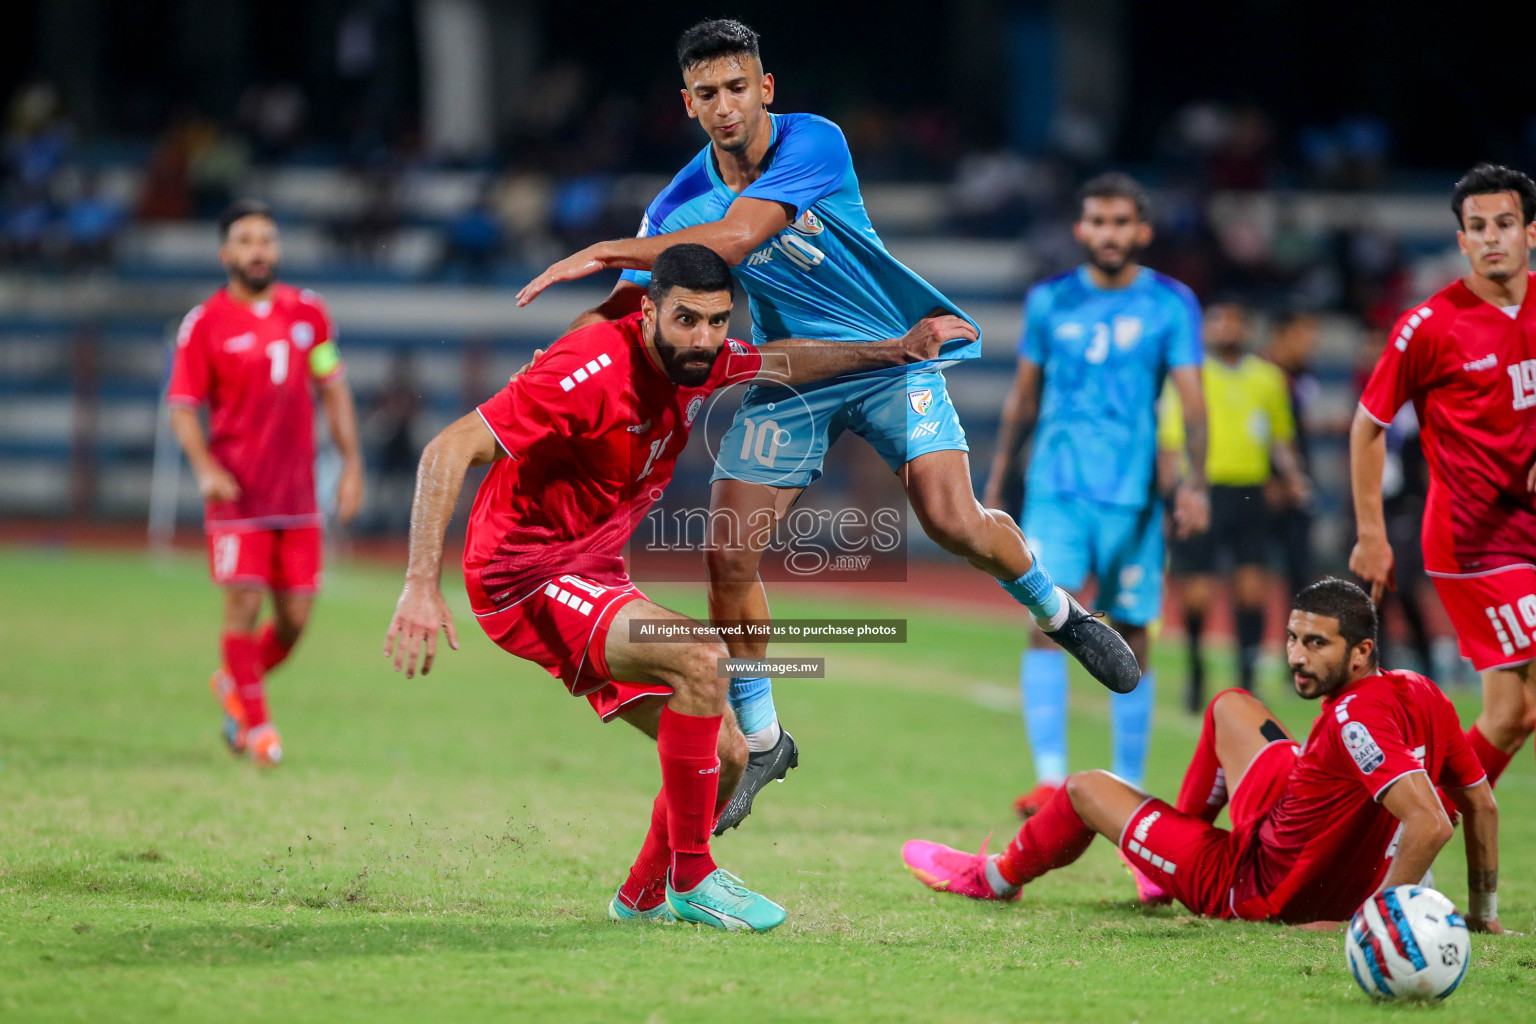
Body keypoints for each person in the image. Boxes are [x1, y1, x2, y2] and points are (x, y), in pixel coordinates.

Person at [515, 20, 1140, 831]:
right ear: (689, 105)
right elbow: (638, 305)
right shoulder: (674, 205)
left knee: (953, 522)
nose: (726, 105)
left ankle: (1059, 611)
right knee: (727, 551)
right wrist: (563, 354)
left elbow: (742, 236)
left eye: (738, 87)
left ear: (764, 88)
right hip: (793, 371)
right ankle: (767, 736)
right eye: (708, 94)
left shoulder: (815, 141)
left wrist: (608, 246)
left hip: (891, 355)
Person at [383, 243, 974, 931]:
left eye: (718, 321)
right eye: (687, 320)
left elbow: (784, 361)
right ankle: (695, 878)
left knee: (724, 758)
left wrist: (897, 351)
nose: (704, 339)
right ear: (649, 311)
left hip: (594, 575)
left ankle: (640, 897)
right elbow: (448, 447)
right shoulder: (590, 367)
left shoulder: (703, 361)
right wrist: (420, 583)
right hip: (526, 576)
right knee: (701, 657)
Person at [902, 579, 1506, 933]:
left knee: (1084, 789)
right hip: (1302, 798)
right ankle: (1156, 867)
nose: (1296, 657)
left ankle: (996, 877)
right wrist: (1484, 915)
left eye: (1316, 645)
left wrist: (1373, 927)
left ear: (1361, 651)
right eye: (1294, 638)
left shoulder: (1353, 720)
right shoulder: (1423, 692)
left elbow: (1429, 822)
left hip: (1257, 883)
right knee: (1230, 707)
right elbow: (1480, 805)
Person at [984, 172, 1209, 820]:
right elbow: (1024, 395)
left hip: (1134, 495)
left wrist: (1194, 482)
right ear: (1080, 230)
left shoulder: (1172, 304)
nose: (1109, 234)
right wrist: (1000, 479)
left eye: (1121, 223)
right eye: (1097, 222)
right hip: (1058, 487)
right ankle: (1051, 781)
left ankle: (1127, 785)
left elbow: (1193, 405)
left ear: (1143, 230)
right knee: (1045, 617)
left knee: (1135, 630)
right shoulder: (1050, 301)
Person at [1352, 163, 1536, 789]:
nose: (1491, 238)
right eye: (1477, 227)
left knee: (1512, 715)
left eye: (1504, 224)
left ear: (1530, 232)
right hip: (1477, 542)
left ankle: (1415, 827)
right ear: (1460, 241)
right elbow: (1367, 426)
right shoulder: (1430, 327)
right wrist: (1372, 535)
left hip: (1528, 533)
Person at [167, 199, 365, 767]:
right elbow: (182, 407)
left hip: (297, 496)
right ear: (226, 253)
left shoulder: (309, 314)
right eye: (248, 240)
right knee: (243, 606)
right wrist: (206, 468)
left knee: (296, 620)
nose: (260, 251)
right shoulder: (204, 323)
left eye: (268, 240)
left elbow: (331, 385)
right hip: (238, 495)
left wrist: (352, 463)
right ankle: (260, 731)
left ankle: (233, 683)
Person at [1163, 301, 1310, 707]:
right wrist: (1173, 495)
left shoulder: (1267, 378)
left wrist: (1294, 476)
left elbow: (1280, 437)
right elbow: (1172, 440)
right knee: (1196, 591)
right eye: (1220, 319)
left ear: (1246, 327)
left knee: (1251, 589)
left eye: (1235, 319)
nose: (1228, 326)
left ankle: (1245, 682)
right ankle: (1196, 670)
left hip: (1250, 493)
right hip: (1203, 491)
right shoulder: (1188, 377)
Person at [1264, 311, 1323, 600]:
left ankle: (1298, 641)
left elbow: (1293, 432)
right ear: (1280, 335)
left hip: (1295, 482)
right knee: (1253, 571)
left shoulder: (1301, 376)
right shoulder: (1262, 376)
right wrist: (1271, 478)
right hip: (1267, 486)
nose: (1311, 344)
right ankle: (1251, 643)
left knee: (1300, 572)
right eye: (1303, 335)